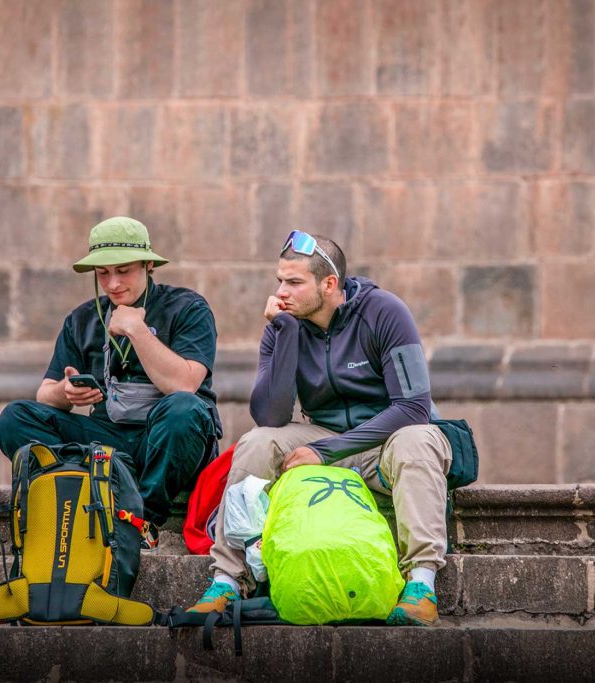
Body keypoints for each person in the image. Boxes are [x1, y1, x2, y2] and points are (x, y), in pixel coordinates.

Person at [187, 231, 451, 626]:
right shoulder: (283, 325)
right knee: (258, 442)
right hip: (325, 437)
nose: (281, 292)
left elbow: (413, 407)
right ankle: (227, 580)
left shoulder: (384, 311)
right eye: (279, 280)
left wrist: (326, 452)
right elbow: (269, 415)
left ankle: (421, 586)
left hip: (388, 442)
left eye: (294, 282)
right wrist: (286, 335)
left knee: (418, 438)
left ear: (329, 285)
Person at [0, 216, 221, 551]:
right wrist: (66, 392)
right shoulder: (82, 319)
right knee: (14, 419)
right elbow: (47, 393)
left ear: (148, 265)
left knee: (184, 410)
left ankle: (141, 518)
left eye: (124, 270)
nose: (113, 283)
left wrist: (137, 330)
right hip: (108, 445)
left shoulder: (188, 308)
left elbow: (185, 384)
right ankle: (86, 490)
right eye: (103, 274)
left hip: (171, 442)